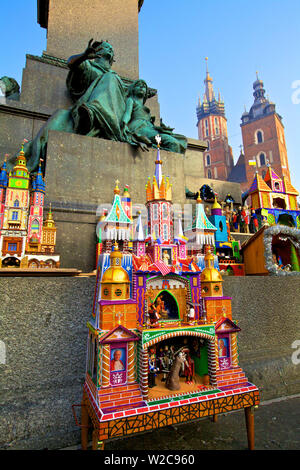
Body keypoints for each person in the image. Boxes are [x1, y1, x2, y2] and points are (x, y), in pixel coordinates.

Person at [121, 79, 187, 154]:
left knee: (178, 141)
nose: (141, 88)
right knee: (173, 143)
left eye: (143, 87)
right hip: (138, 128)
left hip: (149, 128)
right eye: (138, 86)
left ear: (146, 92)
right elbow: (127, 114)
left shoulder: (144, 108)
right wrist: (124, 124)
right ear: (133, 89)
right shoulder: (131, 100)